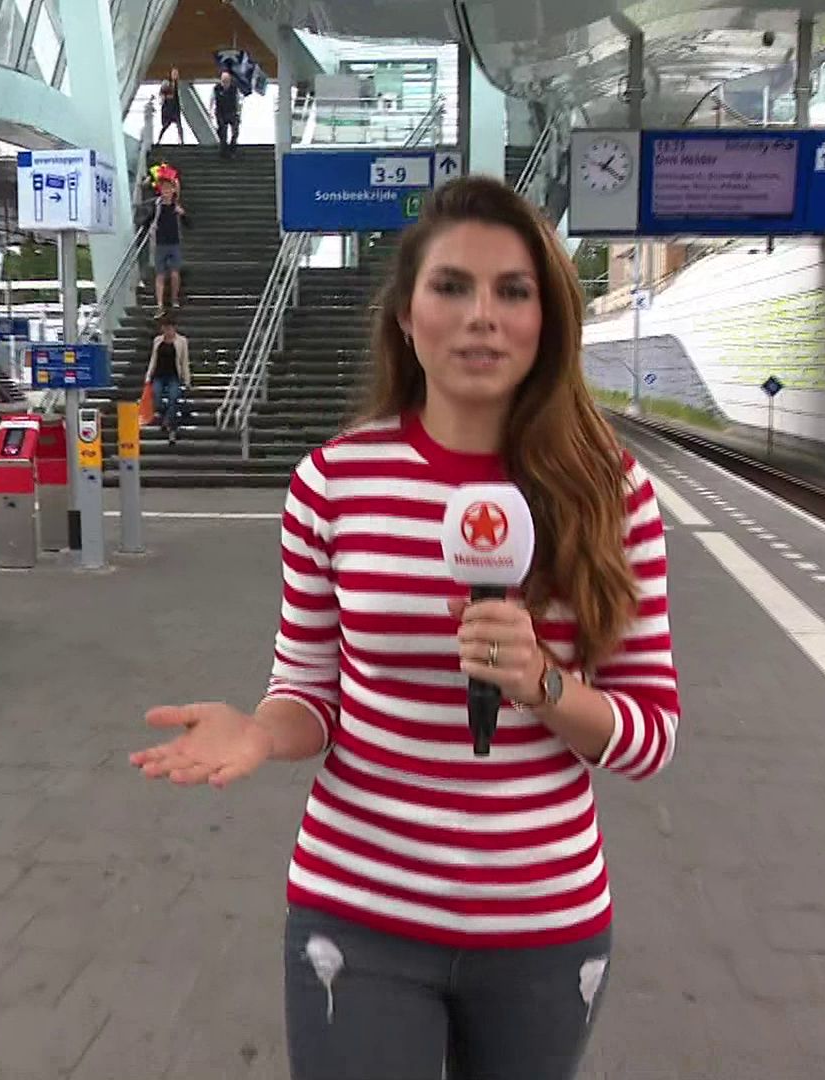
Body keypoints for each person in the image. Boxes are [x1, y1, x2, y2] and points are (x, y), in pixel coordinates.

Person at [130, 176, 682, 1080]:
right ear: (405, 315)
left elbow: (651, 736)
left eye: (513, 291)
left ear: (547, 321)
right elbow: (310, 690)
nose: (481, 316)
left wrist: (544, 683)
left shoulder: (612, 494)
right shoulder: (332, 484)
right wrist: (262, 731)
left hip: (543, 923)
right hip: (356, 910)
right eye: (452, 287)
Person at [144, 315, 191, 444]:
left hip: (173, 375)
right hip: (159, 374)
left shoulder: (181, 341)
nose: (168, 331)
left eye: (170, 328)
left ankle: (171, 428)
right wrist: (148, 376)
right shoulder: (158, 340)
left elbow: (184, 361)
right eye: (165, 328)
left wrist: (187, 380)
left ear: (174, 328)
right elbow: (153, 359)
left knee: (173, 399)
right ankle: (166, 418)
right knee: (157, 399)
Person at [148, 179, 187, 310]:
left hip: (174, 243)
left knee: (175, 273)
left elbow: (189, 224)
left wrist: (183, 214)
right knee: (160, 274)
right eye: (164, 189)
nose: (166, 192)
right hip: (160, 244)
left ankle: (174, 299)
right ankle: (160, 303)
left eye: (169, 189)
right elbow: (148, 219)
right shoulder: (157, 206)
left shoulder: (176, 207)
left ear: (173, 190)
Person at [212, 68, 241, 158]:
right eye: (223, 81)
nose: (225, 83)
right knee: (222, 131)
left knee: (235, 131)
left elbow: (238, 101)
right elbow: (212, 100)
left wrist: (238, 113)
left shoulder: (234, 89)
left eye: (227, 81)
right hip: (220, 112)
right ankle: (223, 151)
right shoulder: (216, 89)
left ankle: (232, 148)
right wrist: (211, 112)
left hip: (232, 111)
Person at [158, 67, 185, 144]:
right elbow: (162, 94)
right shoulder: (166, 82)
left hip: (176, 107)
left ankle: (181, 141)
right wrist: (164, 99)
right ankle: (159, 140)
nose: (176, 75)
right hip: (168, 107)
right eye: (174, 74)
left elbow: (179, 96)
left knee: (179, 126)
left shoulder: (177, 84)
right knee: (165, 125)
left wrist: (181, 106)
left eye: (176, 74)